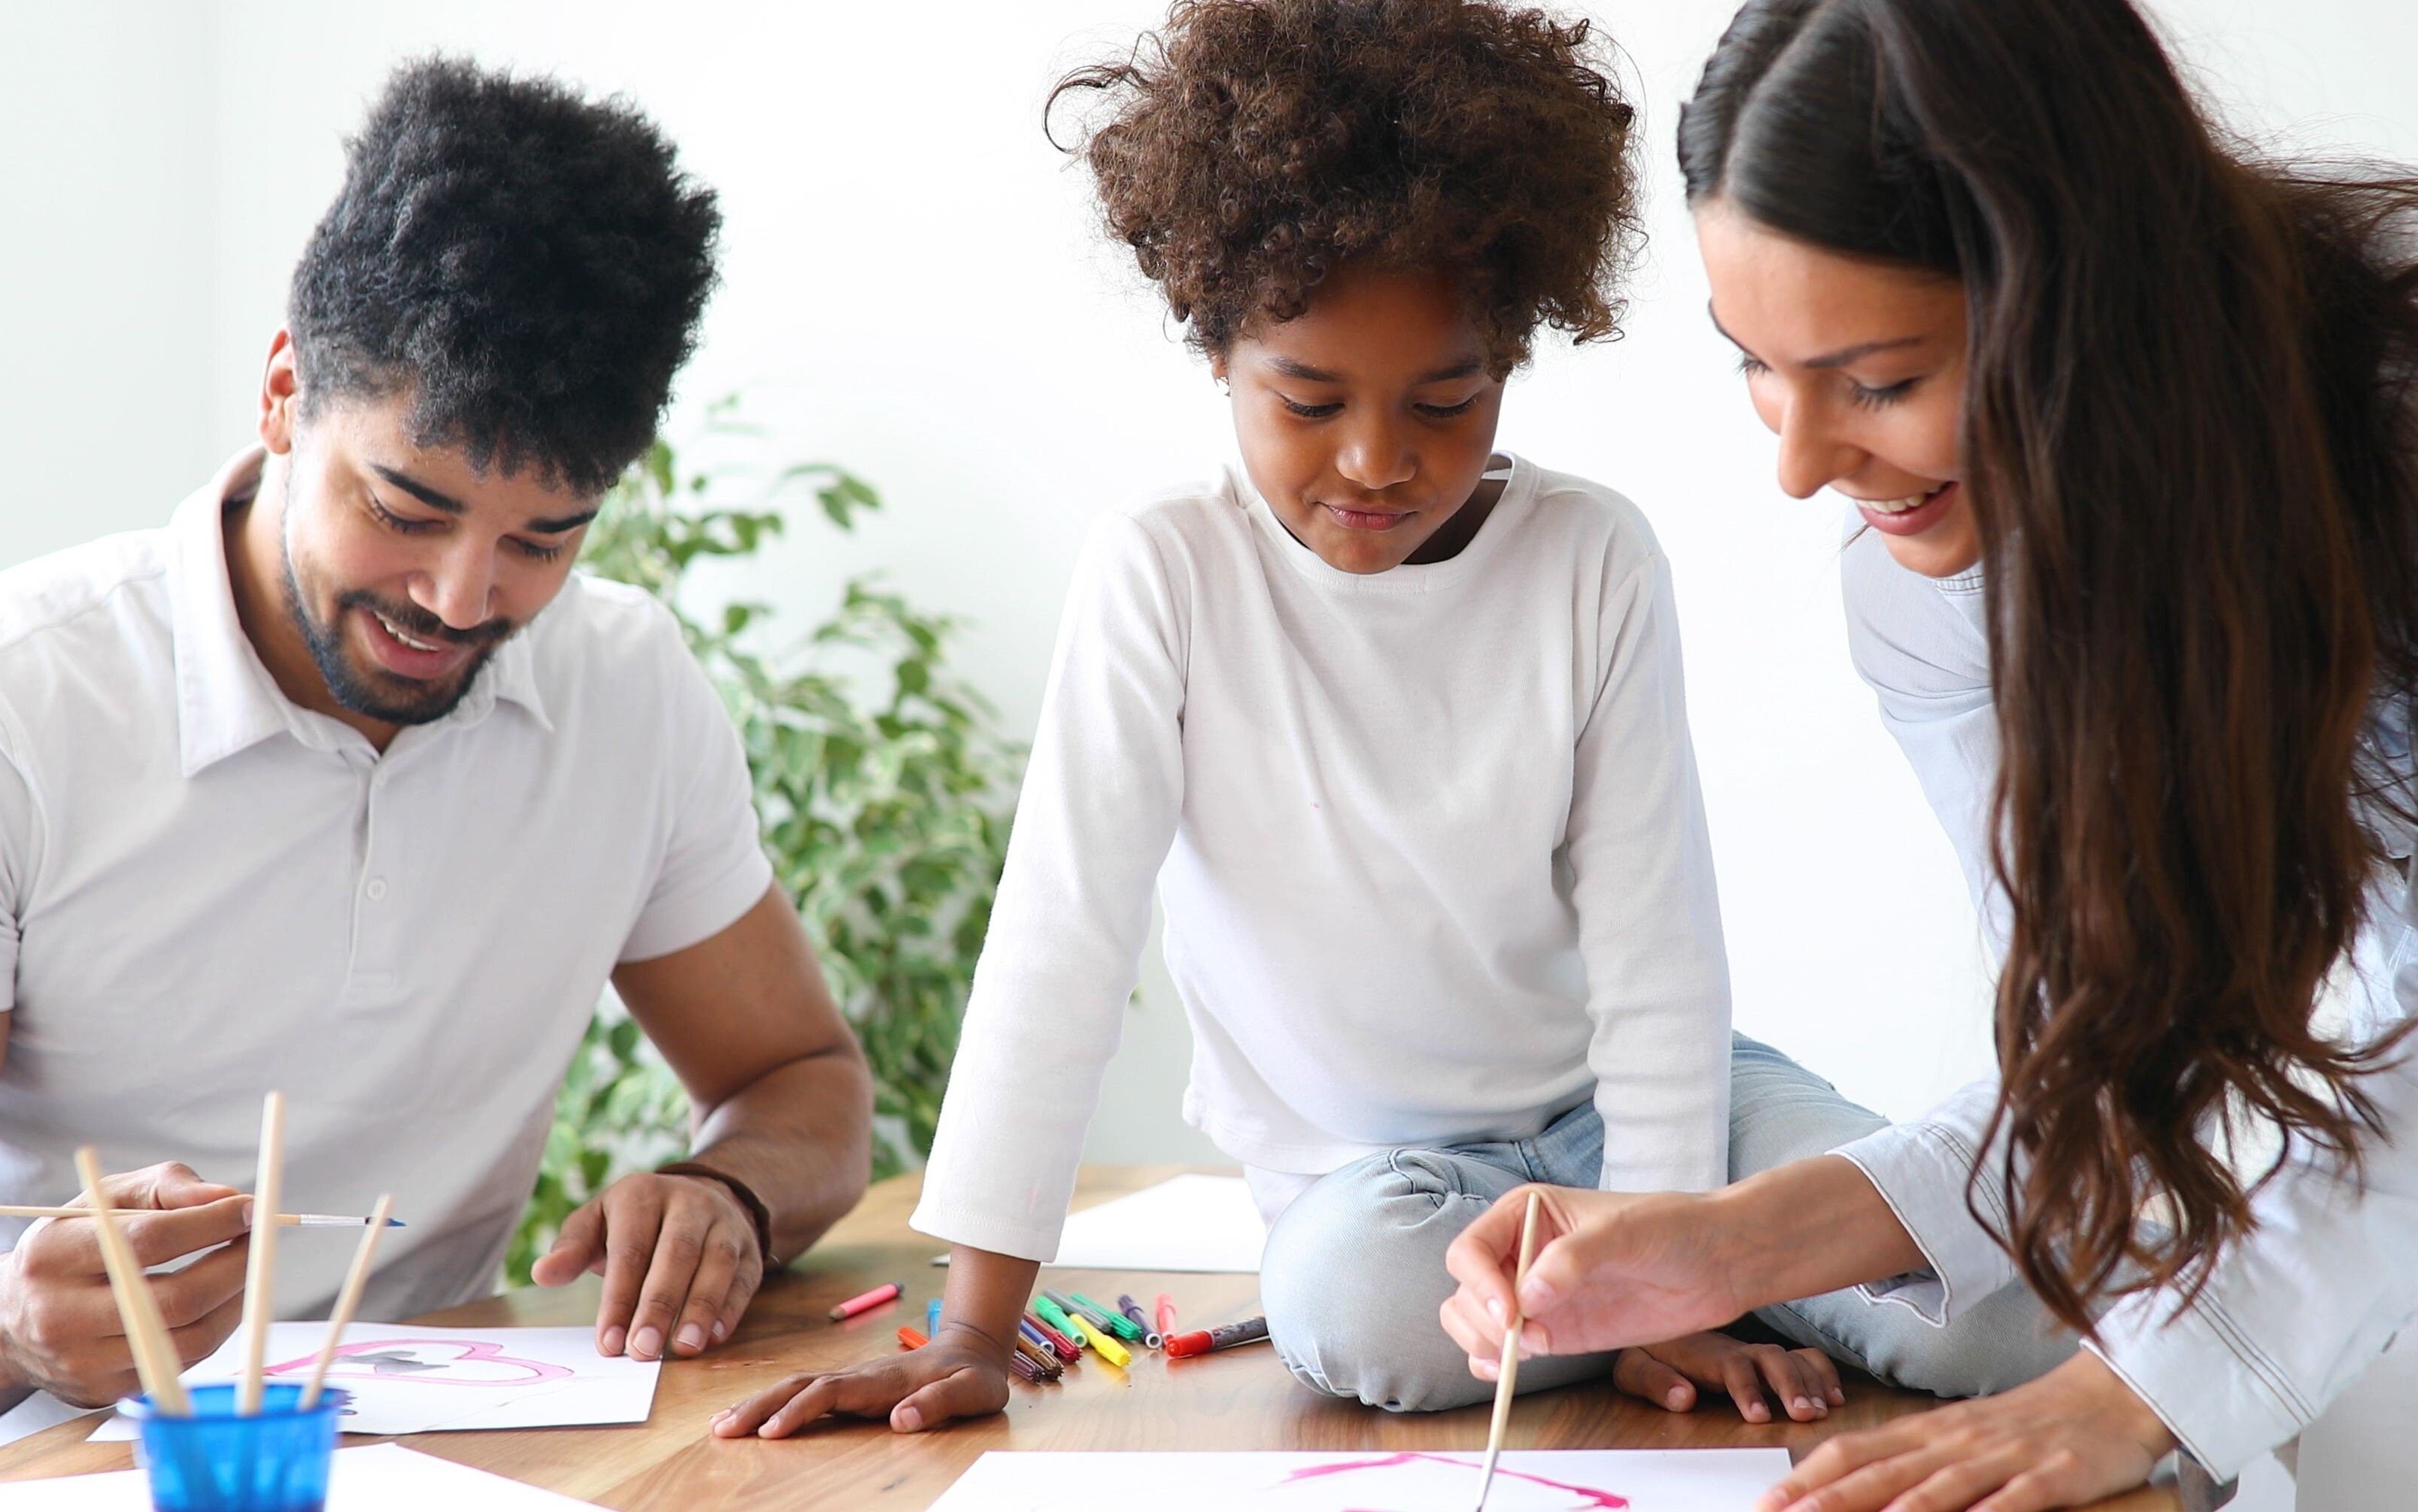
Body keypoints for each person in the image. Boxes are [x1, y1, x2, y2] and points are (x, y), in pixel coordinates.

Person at [712, 0, 2077, 1446]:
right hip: (1388, 1189)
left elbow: (1656, 951)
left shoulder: (1588, 558)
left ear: (1515, 355)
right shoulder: (1163, 572)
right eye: (1307, 400)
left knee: (2016, 1307)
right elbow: (1059, 949)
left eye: (1448, 398)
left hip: (1656, 1121)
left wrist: (1677, 1271)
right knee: (1359, 1311)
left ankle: (1646, 1293)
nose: (1377, 460)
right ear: (1216, 352)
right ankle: (1644, 1296)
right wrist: (977, 1330)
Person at [1438, 1, 2418, 1509]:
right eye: (1756, 366)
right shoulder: (1927, 587)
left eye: (1876, 378)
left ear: (2077, 300)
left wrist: (2129, 1392)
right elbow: (2101, 1063)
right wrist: (1726, 1242)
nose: (1800, 463)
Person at [0, 58, 873, 1457]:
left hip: (469, 1458)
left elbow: (806, 1082)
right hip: (65, 1465)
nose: (463, 600)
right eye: (406, 506)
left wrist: (732, 1194)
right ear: (286, 390)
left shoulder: (625, 687)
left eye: (546, 539)